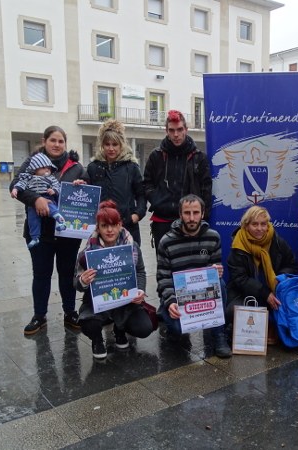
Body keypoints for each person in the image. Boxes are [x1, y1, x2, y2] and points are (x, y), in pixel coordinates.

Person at [9, 125, 85, 335]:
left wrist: (80, 185)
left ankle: (70, 313)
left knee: (67, 273)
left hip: (67, 232)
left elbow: (85, 191)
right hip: (39, 231)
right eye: (53, 140)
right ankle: (39, 316)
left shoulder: (76, 167)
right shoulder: (32, 162)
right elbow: (16, 185)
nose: (57, 145)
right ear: (45, 141)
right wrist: (36, 199)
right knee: (41, 274)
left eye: (61, 141)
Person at [74, 200, 154, 359]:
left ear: (120, 225)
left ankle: (120, 329)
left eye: (114, 225)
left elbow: (140, 271)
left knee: (144, 328)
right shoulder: (87, 253)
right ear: (98, 227)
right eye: (104, 226)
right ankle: (97, 339)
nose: (110, 230)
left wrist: (140, 290)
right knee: (88, 323)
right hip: (97, 302)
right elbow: (76, 284)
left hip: (126, 302)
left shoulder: (132, 246)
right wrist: (83, 281)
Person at [156, 194, 231, 358]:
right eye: (187, 213)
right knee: (177, 330)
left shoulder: (213, 237)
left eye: (196, 213)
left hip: (202, 292)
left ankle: (219, 335)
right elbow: (163, 277)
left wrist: (215, 270)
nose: (191, 218)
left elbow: (215, 268)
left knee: (221, 283)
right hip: (178, 294)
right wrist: (170, 302)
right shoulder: (166, 241)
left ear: (202, 214)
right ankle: (166, 314)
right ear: (180, 214)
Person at [226, 206, 298, 345]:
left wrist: (279, 282)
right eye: (254, 224)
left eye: (263, 224)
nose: (259, 228)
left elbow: (291, 265)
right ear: (246, 226)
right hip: (245, 293)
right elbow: (240, 279)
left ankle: (272, 329)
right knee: (233, 310)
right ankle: (244, 331)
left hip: (275, 290)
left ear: (268, 225)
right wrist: (264, 293)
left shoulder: (277, 241)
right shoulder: (238, 246)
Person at [143, 110, 212, 255]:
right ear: (166, 131)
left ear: (186, 129)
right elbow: (147, 183)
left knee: (190, 265)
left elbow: (206, 189)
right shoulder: (156, 156)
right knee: (164, 266)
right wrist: (157, 200)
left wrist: (203, 216)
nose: (176, 134)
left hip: (190, 220)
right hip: (162, 220)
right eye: (172, 130)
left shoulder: (199, 157)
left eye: (180, 129)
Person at [86, 119, 146, 244]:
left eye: (115, 144)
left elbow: (141, 194)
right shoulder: (93, 167)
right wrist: (79, 185)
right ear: (102, 145)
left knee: (129, 261)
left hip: (127, 225)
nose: (111, 148)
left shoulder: (131, 167)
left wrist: (136, 215)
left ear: (121, 145)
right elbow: (87, 195)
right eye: (107, 144)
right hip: (101, 229)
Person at [11, 153, 67, 249]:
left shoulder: (51, 178)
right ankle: (35, 237)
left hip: (48, 198)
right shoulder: (28, 177)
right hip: (33, 204)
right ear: (35, 169)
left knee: (54, 210)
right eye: (43, 167)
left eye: (49, 168)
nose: (47, 170)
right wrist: (15, 189)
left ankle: (62, 223)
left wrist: (54, 191)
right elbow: (20, 184)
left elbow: (58, 186)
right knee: (32, 219)